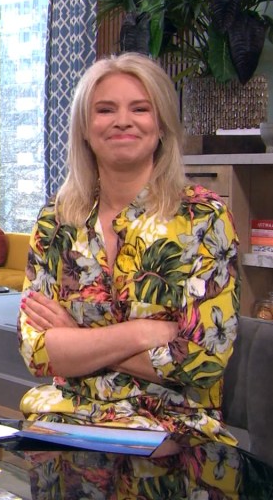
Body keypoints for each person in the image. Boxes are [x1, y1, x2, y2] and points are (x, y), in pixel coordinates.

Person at [18, 53, 240, 444]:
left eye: (140, 108)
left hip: (174, 432)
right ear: (84, 129)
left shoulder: (204, 217)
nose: (123, 121)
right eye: (105, 110)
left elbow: (200, 360)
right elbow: (37, 352)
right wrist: (140, 333)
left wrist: (79, 339)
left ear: (162, 125)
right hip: (67, 421)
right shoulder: (56, 220)